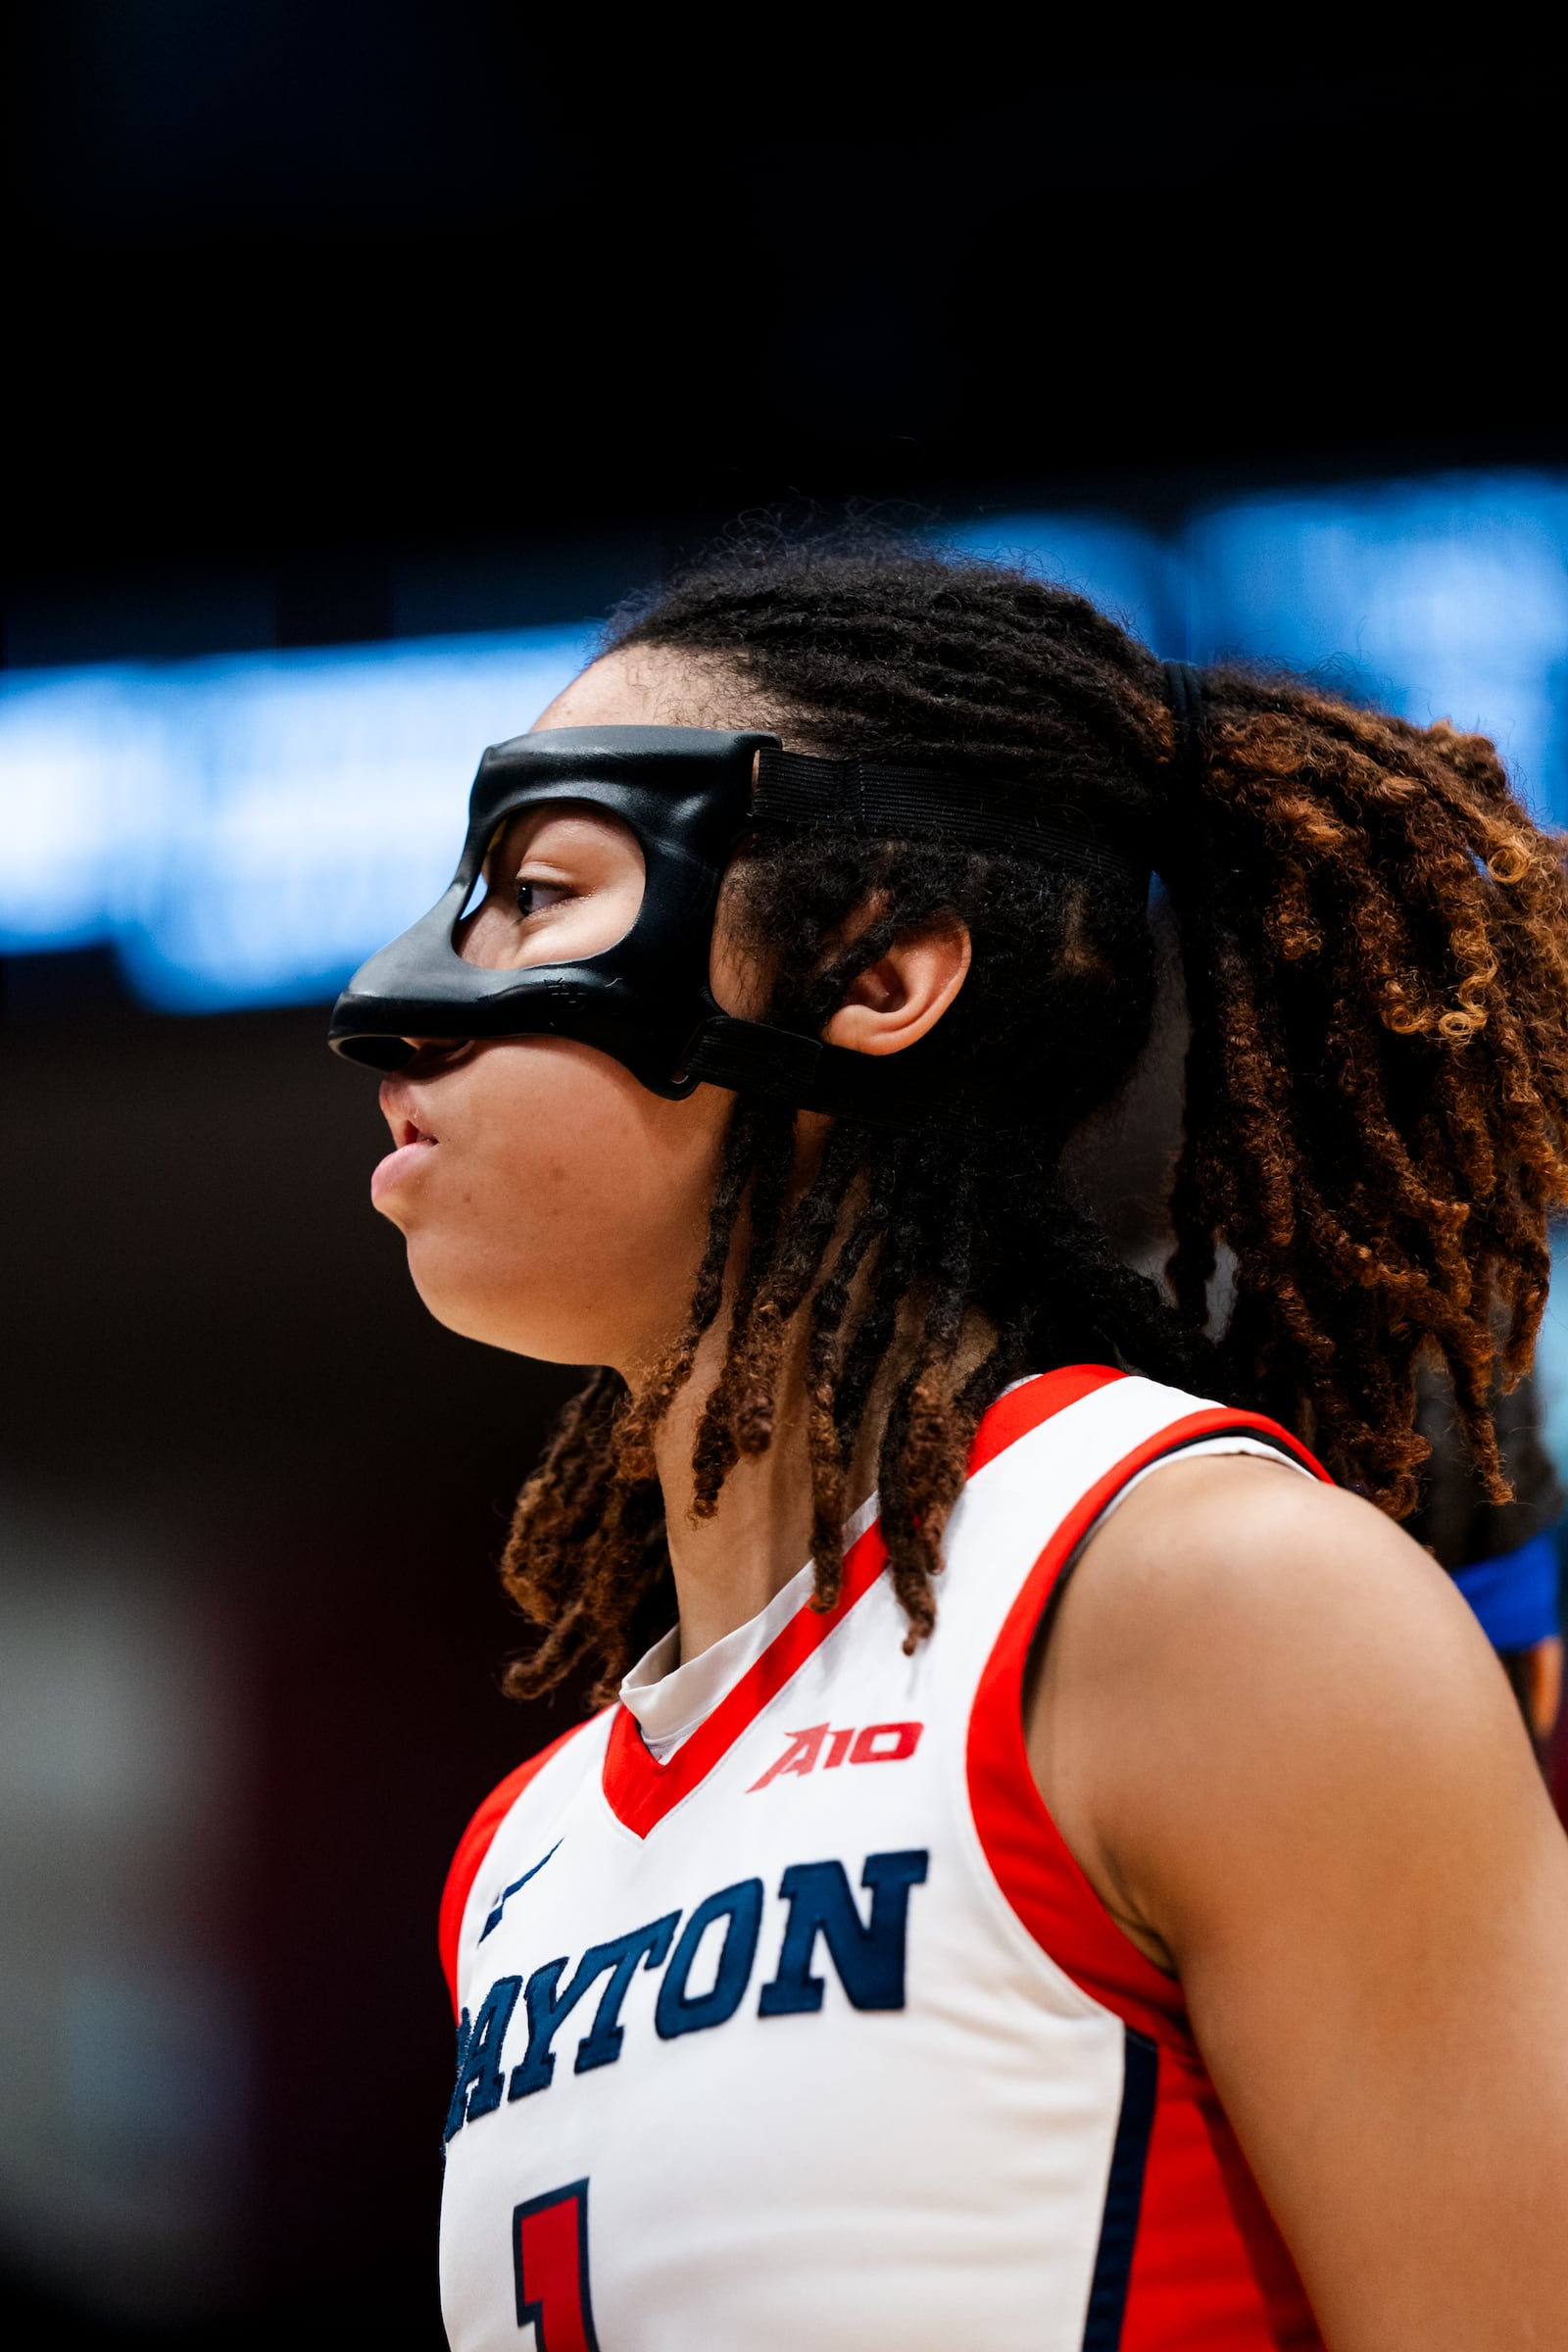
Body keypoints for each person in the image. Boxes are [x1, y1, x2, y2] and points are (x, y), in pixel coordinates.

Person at [336, 540, 1568, 2350]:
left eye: (538, 890)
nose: (401, 1000)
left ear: (880, 972)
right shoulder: (522, 1858)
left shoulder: (1211, 1600)